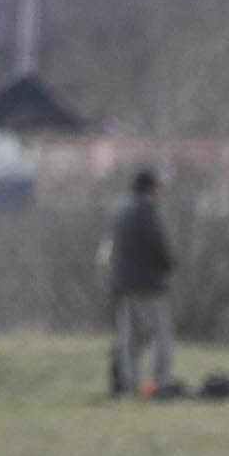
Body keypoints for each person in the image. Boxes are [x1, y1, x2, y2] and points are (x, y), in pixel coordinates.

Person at [102, 170, 180, 399]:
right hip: (148, 286)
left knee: (129, 338)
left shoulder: (119, 209)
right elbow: (156, 245)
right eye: (158, 187)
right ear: (150, 188)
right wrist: (169, 266)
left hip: (122, 285)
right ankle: (160, 383)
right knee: (160, 336)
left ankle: (128, 386)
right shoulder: (144, 211)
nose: (160, 192)